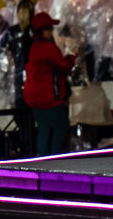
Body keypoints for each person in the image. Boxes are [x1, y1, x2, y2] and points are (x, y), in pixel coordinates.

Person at [24, 12, 76, 156]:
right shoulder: (47, 47)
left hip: (34, 100)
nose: (52, 32)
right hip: (50, 99)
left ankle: (43, 163)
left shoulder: (33, 48)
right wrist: (72, 55)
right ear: (42, 31)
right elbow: (64, 67)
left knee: (44, 132)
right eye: (49, 29)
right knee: (60, 130)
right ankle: (56, 165)